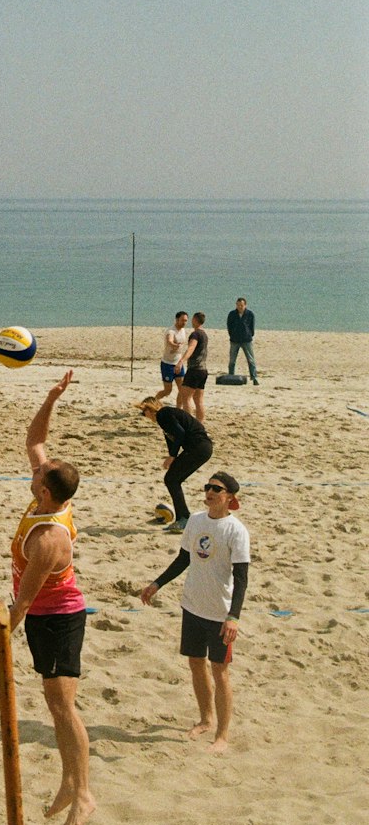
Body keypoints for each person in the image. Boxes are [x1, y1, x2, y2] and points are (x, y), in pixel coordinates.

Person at [0, 371, 94, 825]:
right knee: (56, 705)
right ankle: (68, 781)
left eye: (38, 472)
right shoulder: (46, 497)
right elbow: (36, 438)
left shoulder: (47, 539)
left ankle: (84, 792)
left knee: (64, 708)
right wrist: (52, 396)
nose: (32, 468)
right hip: (45, 617)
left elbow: (19, 607)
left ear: (45, 490)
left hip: (58, 619)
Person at [140, 470, 250, 754]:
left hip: (219, 613)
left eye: (217, 488)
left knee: (220, 671)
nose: (210, 492)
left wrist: (233, 617)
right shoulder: (197, 521)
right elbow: (183, 559)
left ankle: (222, 735)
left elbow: (241, 578)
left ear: (230, 498)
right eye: (208, 486)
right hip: (192, 606)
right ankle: (205, 719)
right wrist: (157, 583)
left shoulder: (236, 530)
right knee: (195, 663)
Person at [135, 398, 213, 533]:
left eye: (143, 412)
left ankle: (184, 518)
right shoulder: (165, 417)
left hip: (198, 448)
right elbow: (172, 439)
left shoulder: (163, 414)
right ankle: (183, 517)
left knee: (171, 480)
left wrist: (172, 456)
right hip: (200, 448)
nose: (144, 416)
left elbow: (180, 433)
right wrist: (172, 457)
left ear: (149, 409)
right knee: (173, 479)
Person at [177, 312, 209, 421]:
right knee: (198, 400)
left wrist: (181, 361)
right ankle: (199, 424)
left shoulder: (195, 334)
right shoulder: (204, 334)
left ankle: (189, 423)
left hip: (195, 370)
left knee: (185, 397)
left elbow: (191, 348)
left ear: (195, 320)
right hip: (203, 370)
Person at [153, 311, 189, 403]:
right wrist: (173, 344)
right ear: (177, 320)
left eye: (186, 321)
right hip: (167, 364)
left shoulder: (183, 331)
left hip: (178, 363)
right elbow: (170, 339)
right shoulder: (171, 331)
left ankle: (178, 408)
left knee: (182, 389)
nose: (184, 323)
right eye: (182, 320)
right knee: (167, 391)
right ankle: (153, 401)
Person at [227, 297, 258, 384]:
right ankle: (231, 376)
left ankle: (254, 377)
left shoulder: (250, 314)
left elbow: (252, 327)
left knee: (251, 359)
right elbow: (229, 326)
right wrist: (232, 334)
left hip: (246, 340)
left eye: (241, 305)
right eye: (238, 305)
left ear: (245, 305)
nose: (240, 307)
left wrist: (249, 334)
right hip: (234, 340)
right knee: (232, 360)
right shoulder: (232, 314)